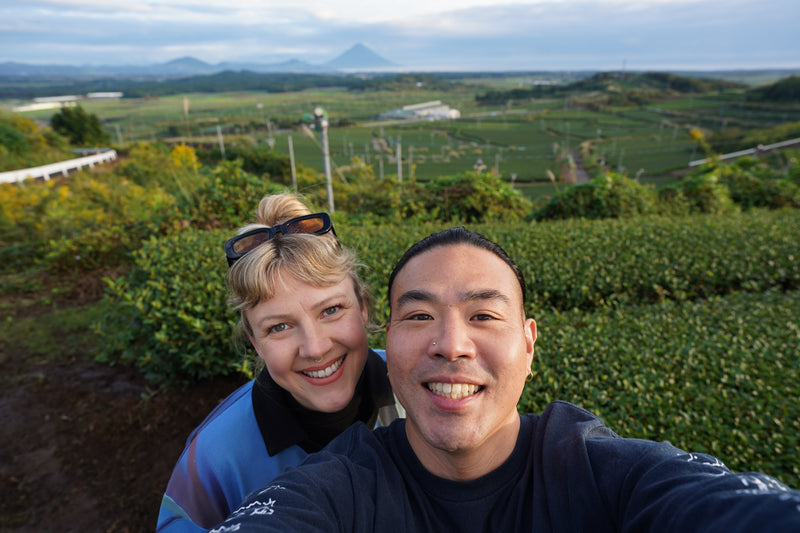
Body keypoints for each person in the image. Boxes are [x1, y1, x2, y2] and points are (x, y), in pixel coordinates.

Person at [211, 227, 800, 533]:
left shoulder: (604, 473)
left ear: (529, 342)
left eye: (484, 315)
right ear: (392, 339)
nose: (451, 343)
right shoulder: (326, 479)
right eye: (419, 316)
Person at [156, 194, 401, 532]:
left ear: (363, 307)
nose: (315, 349)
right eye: (279, 327)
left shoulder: (427, 386)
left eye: (331, 310)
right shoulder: (214, 459)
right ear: (255, 342)